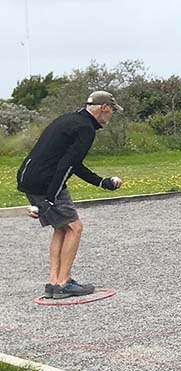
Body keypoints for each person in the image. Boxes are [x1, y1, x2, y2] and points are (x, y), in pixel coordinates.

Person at [16, 91, 124, 299]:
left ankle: (53, 282)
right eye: (112, 111)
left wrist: (101, 182)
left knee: (62, 227)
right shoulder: (86, 129)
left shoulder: (70, 119)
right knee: (75, 228)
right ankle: (64, 282)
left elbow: (72, 163)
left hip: (29, 177)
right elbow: (67, 165)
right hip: (47, 182)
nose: (111, 116)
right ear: (105, 108)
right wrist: (51, 196)